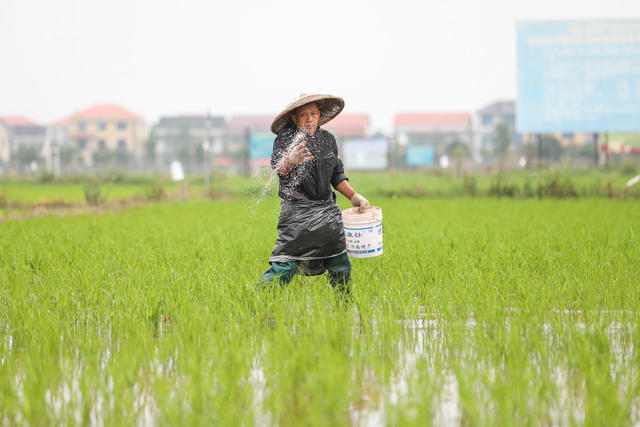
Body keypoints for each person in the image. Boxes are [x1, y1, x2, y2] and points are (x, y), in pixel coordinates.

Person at [257, 94, 369, 297]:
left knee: (340, 263)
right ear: (295, 118)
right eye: (304, 115)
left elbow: (336, 174)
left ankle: (344, 304)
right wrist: (291, 159)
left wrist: (354, 196)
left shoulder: (328, 140)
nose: (309, 119)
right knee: (285, 263)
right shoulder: (285, 140)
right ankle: (258, 300)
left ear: (319, 116)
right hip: (297, 215)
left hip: (327, 214)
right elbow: (279, 168)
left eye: (313, 114)